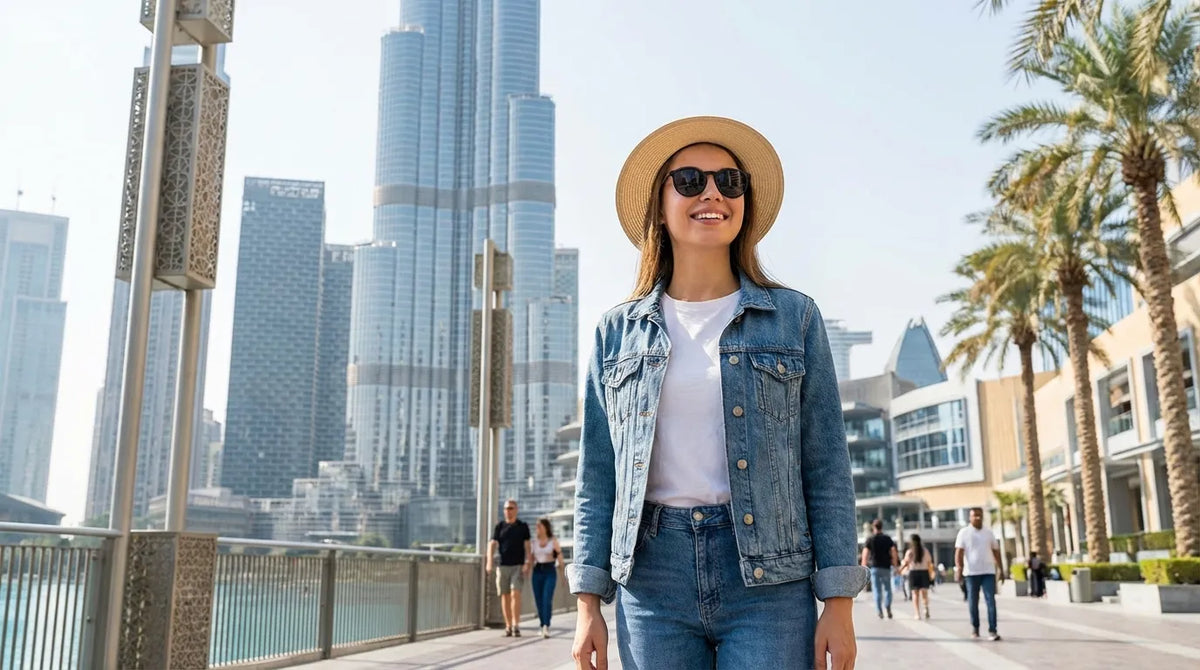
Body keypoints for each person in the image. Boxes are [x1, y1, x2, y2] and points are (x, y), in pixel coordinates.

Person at [567, 116, 867, 670]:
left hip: (770, 580)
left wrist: (839, 602)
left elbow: (825, 467)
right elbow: (597, 477)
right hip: (653, 580)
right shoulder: (616, 332)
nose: (712, 194)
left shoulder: (794, 319)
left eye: (730, 182)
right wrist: (589, 603)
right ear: (660, 204)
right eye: (689, 181)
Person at [955, 507, 1005, 641]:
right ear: (969, 517)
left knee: (991, 601)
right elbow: (959, 552)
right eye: (974, 515)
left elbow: (996, 551)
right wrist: (959, 569)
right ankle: (975, 627)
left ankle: (993, 630)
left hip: (988, 572)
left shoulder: (988, 533)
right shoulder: (964, 533)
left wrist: (1001, 569)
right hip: (971, 573)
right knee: (973, 601)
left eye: (979, 515)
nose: (977, 517)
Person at [487, 499, 532, 637]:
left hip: (517, 566)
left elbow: (528, 546)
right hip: (503, 566)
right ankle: (508, 625)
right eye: (506, 508)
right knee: (505, 595)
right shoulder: (500, 526)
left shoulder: (522, 526)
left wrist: (527, 562)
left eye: (511, 508)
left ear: (516, 510)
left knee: (515, 593)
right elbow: (492, 544)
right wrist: (489, 561)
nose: (509, 510)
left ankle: (516, 625)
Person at [531, 518, 566, 638]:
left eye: (540, 526)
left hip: (550, 571)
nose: (537, 528)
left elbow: (560, 559)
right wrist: (525, 569)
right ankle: (542, 624)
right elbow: (531, 559)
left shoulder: (553, 541)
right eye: (536, 526)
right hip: (537, 572)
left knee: (547, 598)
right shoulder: (534, 542)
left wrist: (563, 577)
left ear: (546, 527)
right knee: (538, 600)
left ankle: (546, 625)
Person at [861, 519, 899, 619]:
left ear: (874, 527)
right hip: (886, 567)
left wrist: (863, 565)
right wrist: (895, 564)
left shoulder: (870, 539)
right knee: (888, 589)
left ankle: (879, 611)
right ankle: (887, 606)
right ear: (882, 527)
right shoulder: (887, 539)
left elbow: (865, 553)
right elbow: (894, 551)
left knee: (877, 590)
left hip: (875, 567)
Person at [900, 534, 933, 620]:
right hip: (924, 572)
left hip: (913, 573)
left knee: (915, 594)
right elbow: (929, 563)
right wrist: (931, 573)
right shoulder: (925, 551)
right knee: (924, 593)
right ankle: (925, 608)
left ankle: (917, 613)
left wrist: (900, 570)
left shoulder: (910, 552)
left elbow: (906, 563)